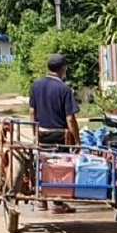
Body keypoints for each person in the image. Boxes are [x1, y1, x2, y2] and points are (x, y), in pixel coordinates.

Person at [28, 53, 81, 214]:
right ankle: (58, 202)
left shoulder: (36, 85)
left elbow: (32, 111)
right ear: (63, 69)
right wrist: (77, 141)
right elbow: (70, 118)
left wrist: (35, 133)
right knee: (60, 167)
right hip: (60, 136)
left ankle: (42, 201)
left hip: (42, 133)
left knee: (43, 163)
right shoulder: (64, 89)